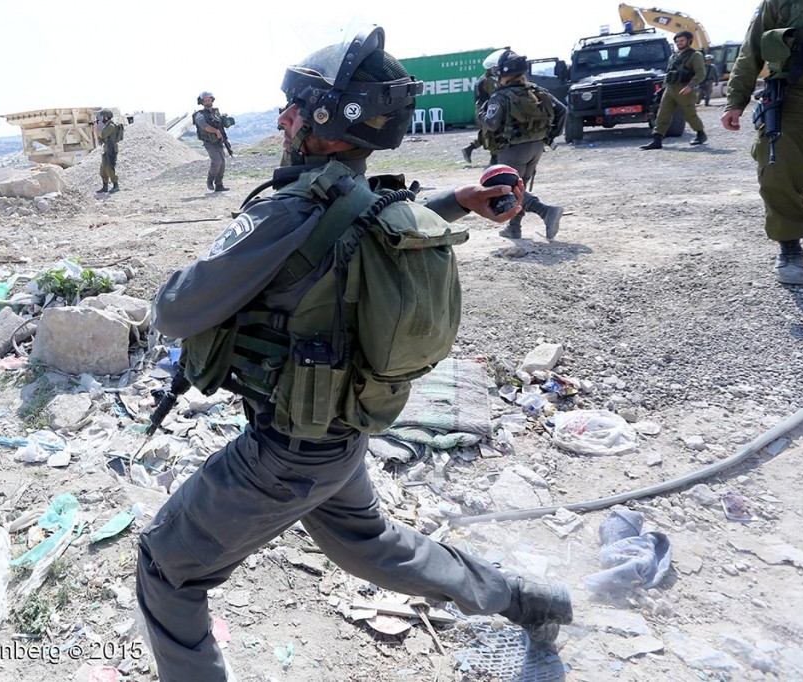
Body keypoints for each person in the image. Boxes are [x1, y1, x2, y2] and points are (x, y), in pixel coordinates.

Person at [136, 26, 573, 682]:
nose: (283, 118)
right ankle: (525, 600)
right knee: (377, 548)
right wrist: (457, 200)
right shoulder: (370, 202)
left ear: (327, 122)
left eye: (295, 106)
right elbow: (355, 236)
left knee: (165, 569)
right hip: (340, 438)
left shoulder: (289, 211)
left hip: (286, 451)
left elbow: (174, 310)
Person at [722, 0, 803, 285]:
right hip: (793, 92)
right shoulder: (779, 3)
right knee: (776, 163)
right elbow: (752, 50)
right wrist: (735, 100)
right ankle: (790, 245)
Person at [478, 49, 567, 240]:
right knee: (520, 186)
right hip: (536, 147)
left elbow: (491, 124)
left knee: (508, 188)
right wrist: (550, 135)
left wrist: (481, 114)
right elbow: (562, 110)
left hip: (511, 151)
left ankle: (546, 211)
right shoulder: (536, 91)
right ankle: (514, 228)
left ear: (502, 73)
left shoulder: (499, 97)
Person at [640, 31, 708, 149]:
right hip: (670, 89)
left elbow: (701, 73)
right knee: (662, 114)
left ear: (688, 41)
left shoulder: (695, 55)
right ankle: (657, 140)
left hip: (685, 88)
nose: (679, 43)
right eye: (677, 41)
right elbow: (669, 74)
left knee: (689, 114)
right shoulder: (674, 56)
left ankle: (700, 134)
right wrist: (662, 89)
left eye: (682, 41)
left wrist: (690, 86)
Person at [462, 48, 507, 164]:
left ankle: (470, 149)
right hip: (487, 110)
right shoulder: (489, 81)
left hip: (481, 109)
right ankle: (494, 157)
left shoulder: (481, 79)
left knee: (485, 132)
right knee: (492, 133)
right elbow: (494, 96)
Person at [194, 91, 232, 192]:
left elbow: (221, 125)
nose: (207, 102)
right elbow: (205, 126)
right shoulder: (199, 115)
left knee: (222, 163)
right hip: (209, 142)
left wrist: (224, 120)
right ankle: (210, 180)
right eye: (205, 100)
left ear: (212, 100)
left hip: (219, 141)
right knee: (216, 162)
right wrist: (216, 131)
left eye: (209, 100)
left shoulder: (216, 112)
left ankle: (219, 185)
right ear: (202, 102)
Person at [95, 108, 120, 194]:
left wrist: (97, 129)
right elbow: (101, 139)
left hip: (111, 150)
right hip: (106, 149)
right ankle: (105, 186)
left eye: (103, 117)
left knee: (109, 168)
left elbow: (103, 134)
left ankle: (116, 185)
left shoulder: (111, 126)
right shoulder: (107, 126)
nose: (102, 119)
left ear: (106, 117)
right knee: (103, 169)